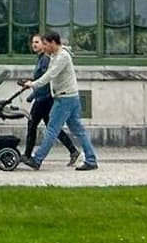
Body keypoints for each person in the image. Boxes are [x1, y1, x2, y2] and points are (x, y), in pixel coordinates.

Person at [21, 30, 97, 171]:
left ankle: (37, 160)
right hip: (70, 97)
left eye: (45, 44)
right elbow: (49, 78)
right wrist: (33, 92)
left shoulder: (62, 57)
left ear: (53, 43)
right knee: (78, 130)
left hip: (64, 99)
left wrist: (33, 84)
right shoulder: (54, 55)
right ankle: (91, 160)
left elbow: (50, 75)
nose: (44, 47)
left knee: (52, 130)